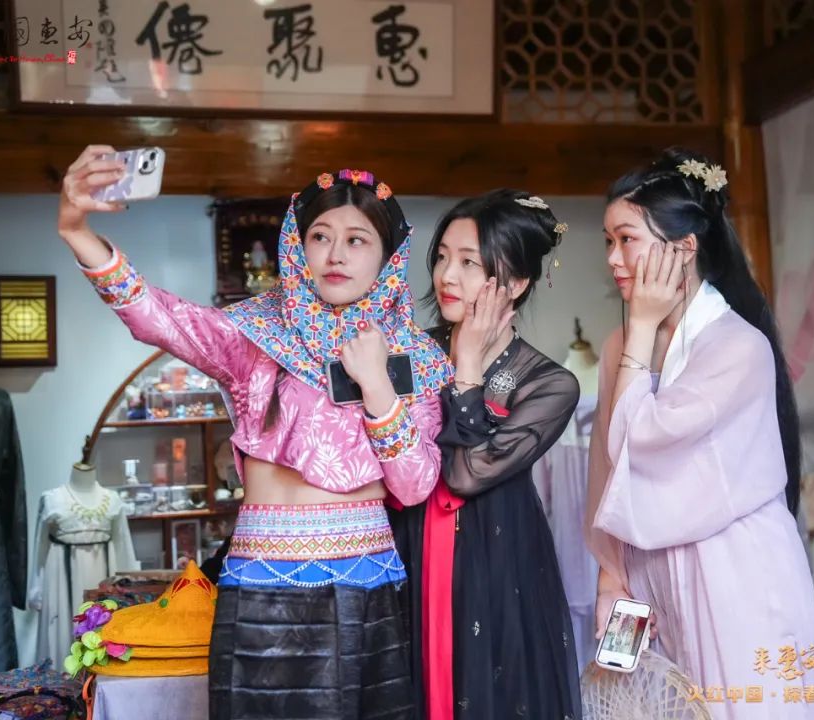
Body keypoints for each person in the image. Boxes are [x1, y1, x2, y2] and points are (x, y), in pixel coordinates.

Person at [58, 148, 453, 720]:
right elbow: (157, 316)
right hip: (262, 574)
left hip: (364, 578)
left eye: (357, 240)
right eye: (320, 236)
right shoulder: (254, 335)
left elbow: (415, 486)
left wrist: (376, 385)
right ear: (296, 244)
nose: (335, 254)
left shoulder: (416, 356)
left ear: (388, 256)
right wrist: (76, 230)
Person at [586, 148, 814, 718]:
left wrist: (641, 326)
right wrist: (610, 578)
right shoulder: (620, 345)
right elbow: (609, 471)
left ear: (684, 247)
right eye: (608, 241)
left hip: (733, 573)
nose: (614, 258)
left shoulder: (737, 347)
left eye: (627, 239)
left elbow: (642, 441)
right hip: (650, 577)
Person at [392, 190, 582, 720]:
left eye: (469, 263)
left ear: (516, 283)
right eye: (442, 257)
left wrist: (469, 366)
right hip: (407, 545)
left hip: (496, 562)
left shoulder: (549, 384)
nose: (447, 276)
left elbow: (464, 474)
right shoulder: (409, 353)